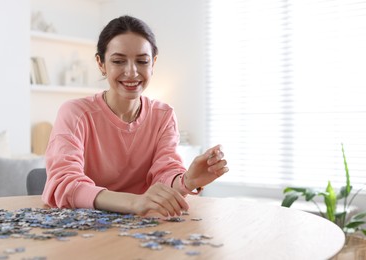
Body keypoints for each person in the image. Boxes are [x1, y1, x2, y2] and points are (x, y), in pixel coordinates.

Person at [42, 15, 229, 217]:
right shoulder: (75, 113)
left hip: (143, 226)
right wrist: (134, 202)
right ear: (101, 63)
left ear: (153, 63)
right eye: (118, 61)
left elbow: (164, 173)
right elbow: (64, 183)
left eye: (142, 61)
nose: (131, 72)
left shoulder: (163, 115)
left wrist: (188, 180)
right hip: (83, 226)